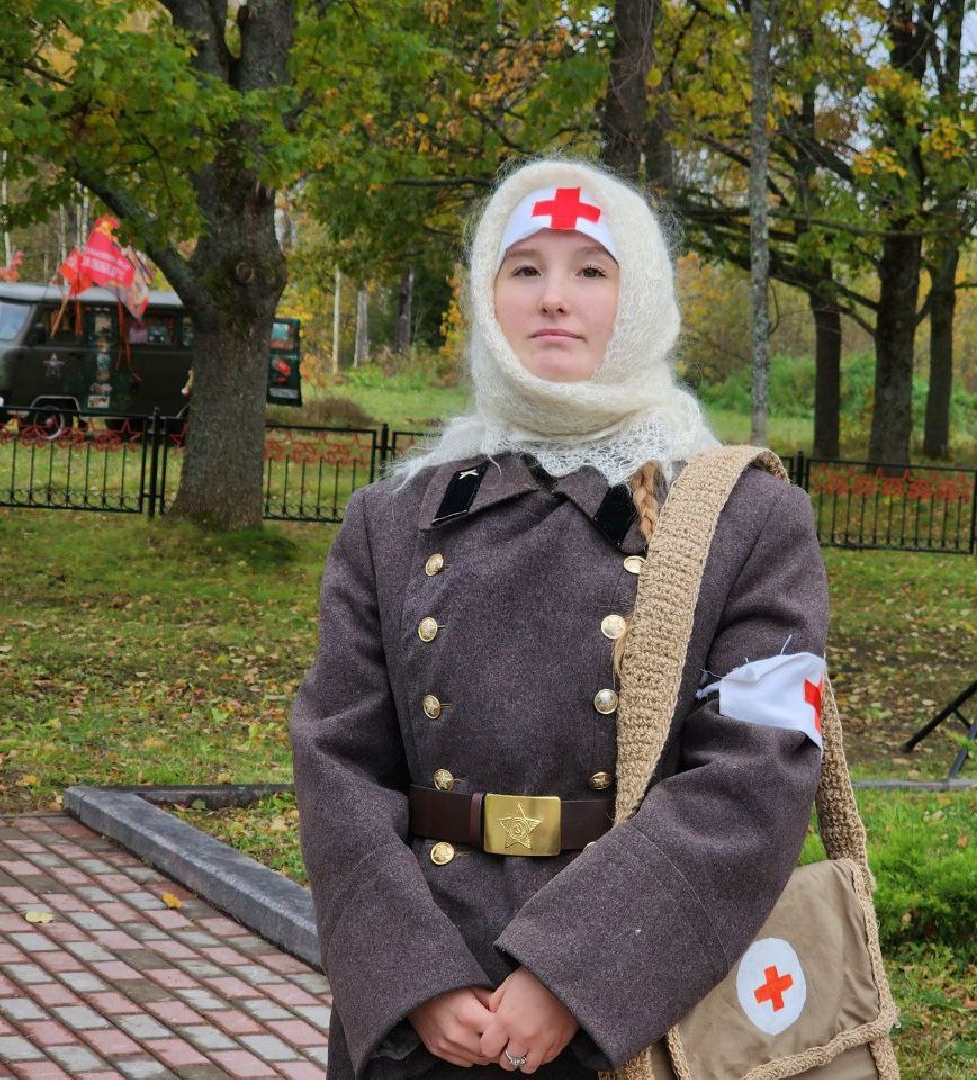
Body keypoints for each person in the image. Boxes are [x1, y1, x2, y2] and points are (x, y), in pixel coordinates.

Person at [290, 158, 828, 1080]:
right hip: (425, 1003)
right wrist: (414, 979)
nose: (553, 298)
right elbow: (337, 758)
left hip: (633, 996)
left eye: (590, 270)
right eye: (525, 268)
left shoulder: (743, 517)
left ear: (642, 298)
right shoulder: (392, 518)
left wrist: (573, 974)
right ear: (486, 298)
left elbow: (758, 772)